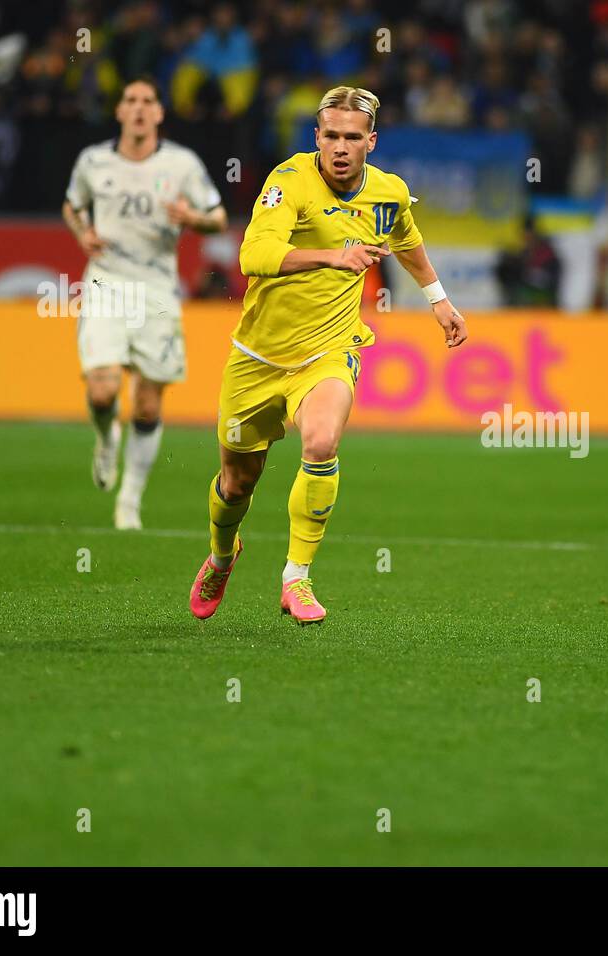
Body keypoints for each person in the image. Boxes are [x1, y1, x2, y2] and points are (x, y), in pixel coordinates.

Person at [188, 86, 468, 625]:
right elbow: (254, 254)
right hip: (257, 358)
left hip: (330, 350)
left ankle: (297, 576)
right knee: (237, 483)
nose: (341, 147)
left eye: (352, 138)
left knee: (320, 441)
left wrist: (439, 300)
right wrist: (332, 257)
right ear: (317, 136)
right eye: (331, 135)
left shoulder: (388, 192)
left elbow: (405, 237)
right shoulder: (288, 181)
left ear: (371, 142)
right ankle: (222, 557)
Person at [62, 76, 227, 530]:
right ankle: (105, 439)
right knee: (102, 390)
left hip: (156, 288)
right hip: (106, 281)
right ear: (119, 111)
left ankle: (129, 500)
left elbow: (218, 217)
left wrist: (192, 217)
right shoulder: (93, 161)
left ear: (158, 112)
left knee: (148, 405)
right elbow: (72, 205)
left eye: (147, 101)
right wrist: (82, 234)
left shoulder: (182, 164)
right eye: (130, 100)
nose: (138, 108)